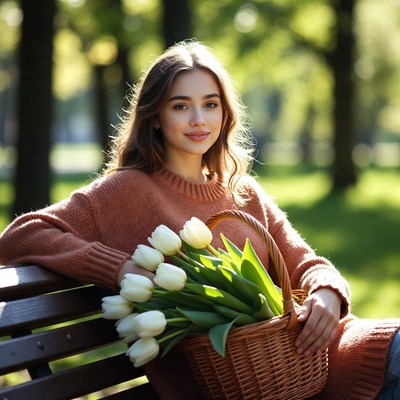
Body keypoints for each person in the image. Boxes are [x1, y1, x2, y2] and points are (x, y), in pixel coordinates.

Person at [0, 40, 398, 400]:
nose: (198, 119)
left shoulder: (242, 191)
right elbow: (20, 236)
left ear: (225, 114)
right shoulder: (126, 191)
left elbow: (307, 262)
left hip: (314, 358)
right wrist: (120, 267)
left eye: (210, 104)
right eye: (180, 106)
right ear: (155, 116)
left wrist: (326, 291)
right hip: (242, 385)